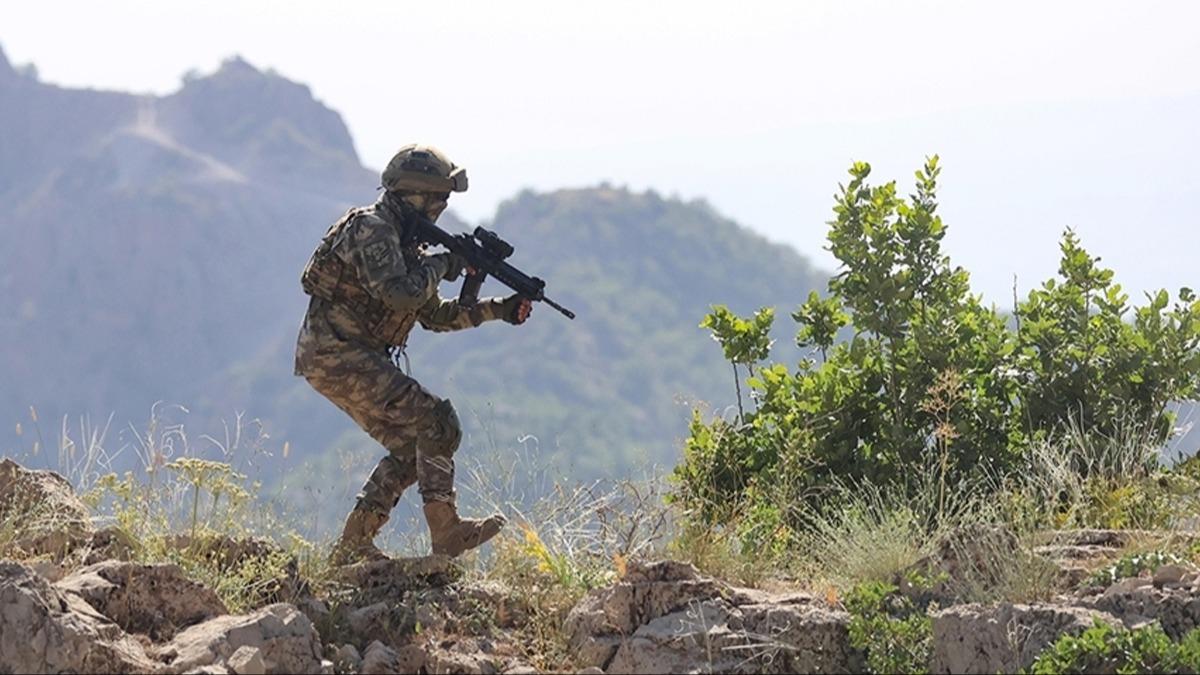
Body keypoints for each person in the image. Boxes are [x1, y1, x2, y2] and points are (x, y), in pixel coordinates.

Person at [294, 144, 532, 564]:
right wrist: (444, 264)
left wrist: (500, 309)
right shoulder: (373, 229)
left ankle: (352, 546)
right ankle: (447, 532)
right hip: (336, 353)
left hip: (343, 356)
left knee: (413, 450)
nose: (442, 208)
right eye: (439, 199)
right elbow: (400, 294)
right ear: (415, 196)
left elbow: (435, 316)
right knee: (437, 422)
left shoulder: (404, 245)